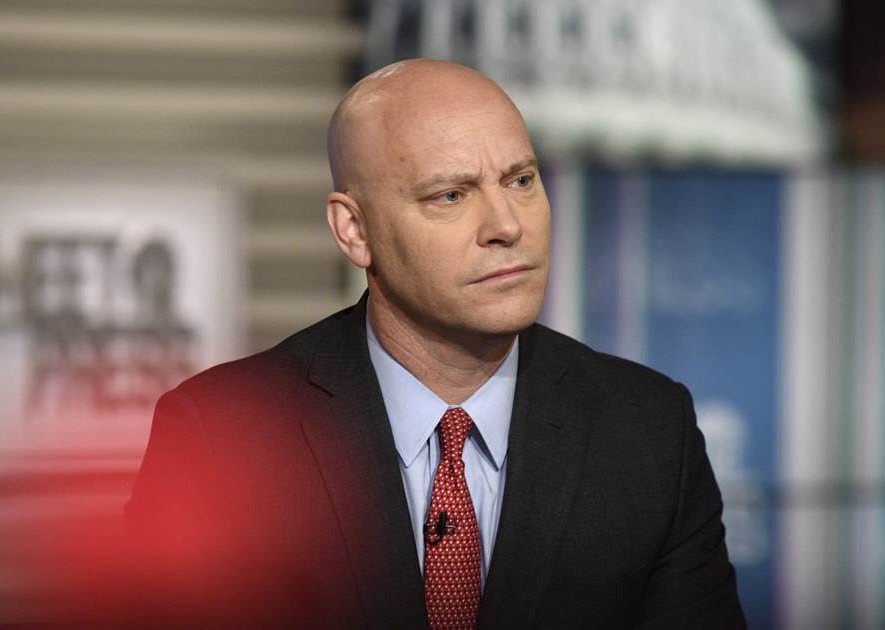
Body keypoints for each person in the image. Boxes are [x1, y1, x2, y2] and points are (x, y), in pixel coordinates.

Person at [125, 58, 745, 629]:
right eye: (450, 195)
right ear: (354, 229)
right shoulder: (220, 439)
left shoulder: (648, 430)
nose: (507, 226)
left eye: (521, 180)